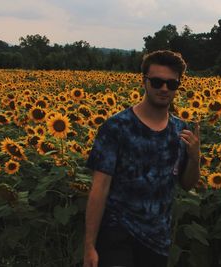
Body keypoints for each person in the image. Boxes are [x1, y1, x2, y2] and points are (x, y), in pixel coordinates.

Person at [82, 50, 201, 267]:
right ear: (143, 81)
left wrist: (195, 158)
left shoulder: (180, 129)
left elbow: (187, 183)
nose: (164, 88)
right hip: (117, 234)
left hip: (157, 240)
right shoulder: (117, 127)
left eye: (171, 84)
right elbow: (99, 188)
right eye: (156, 82)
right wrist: (89, 246)